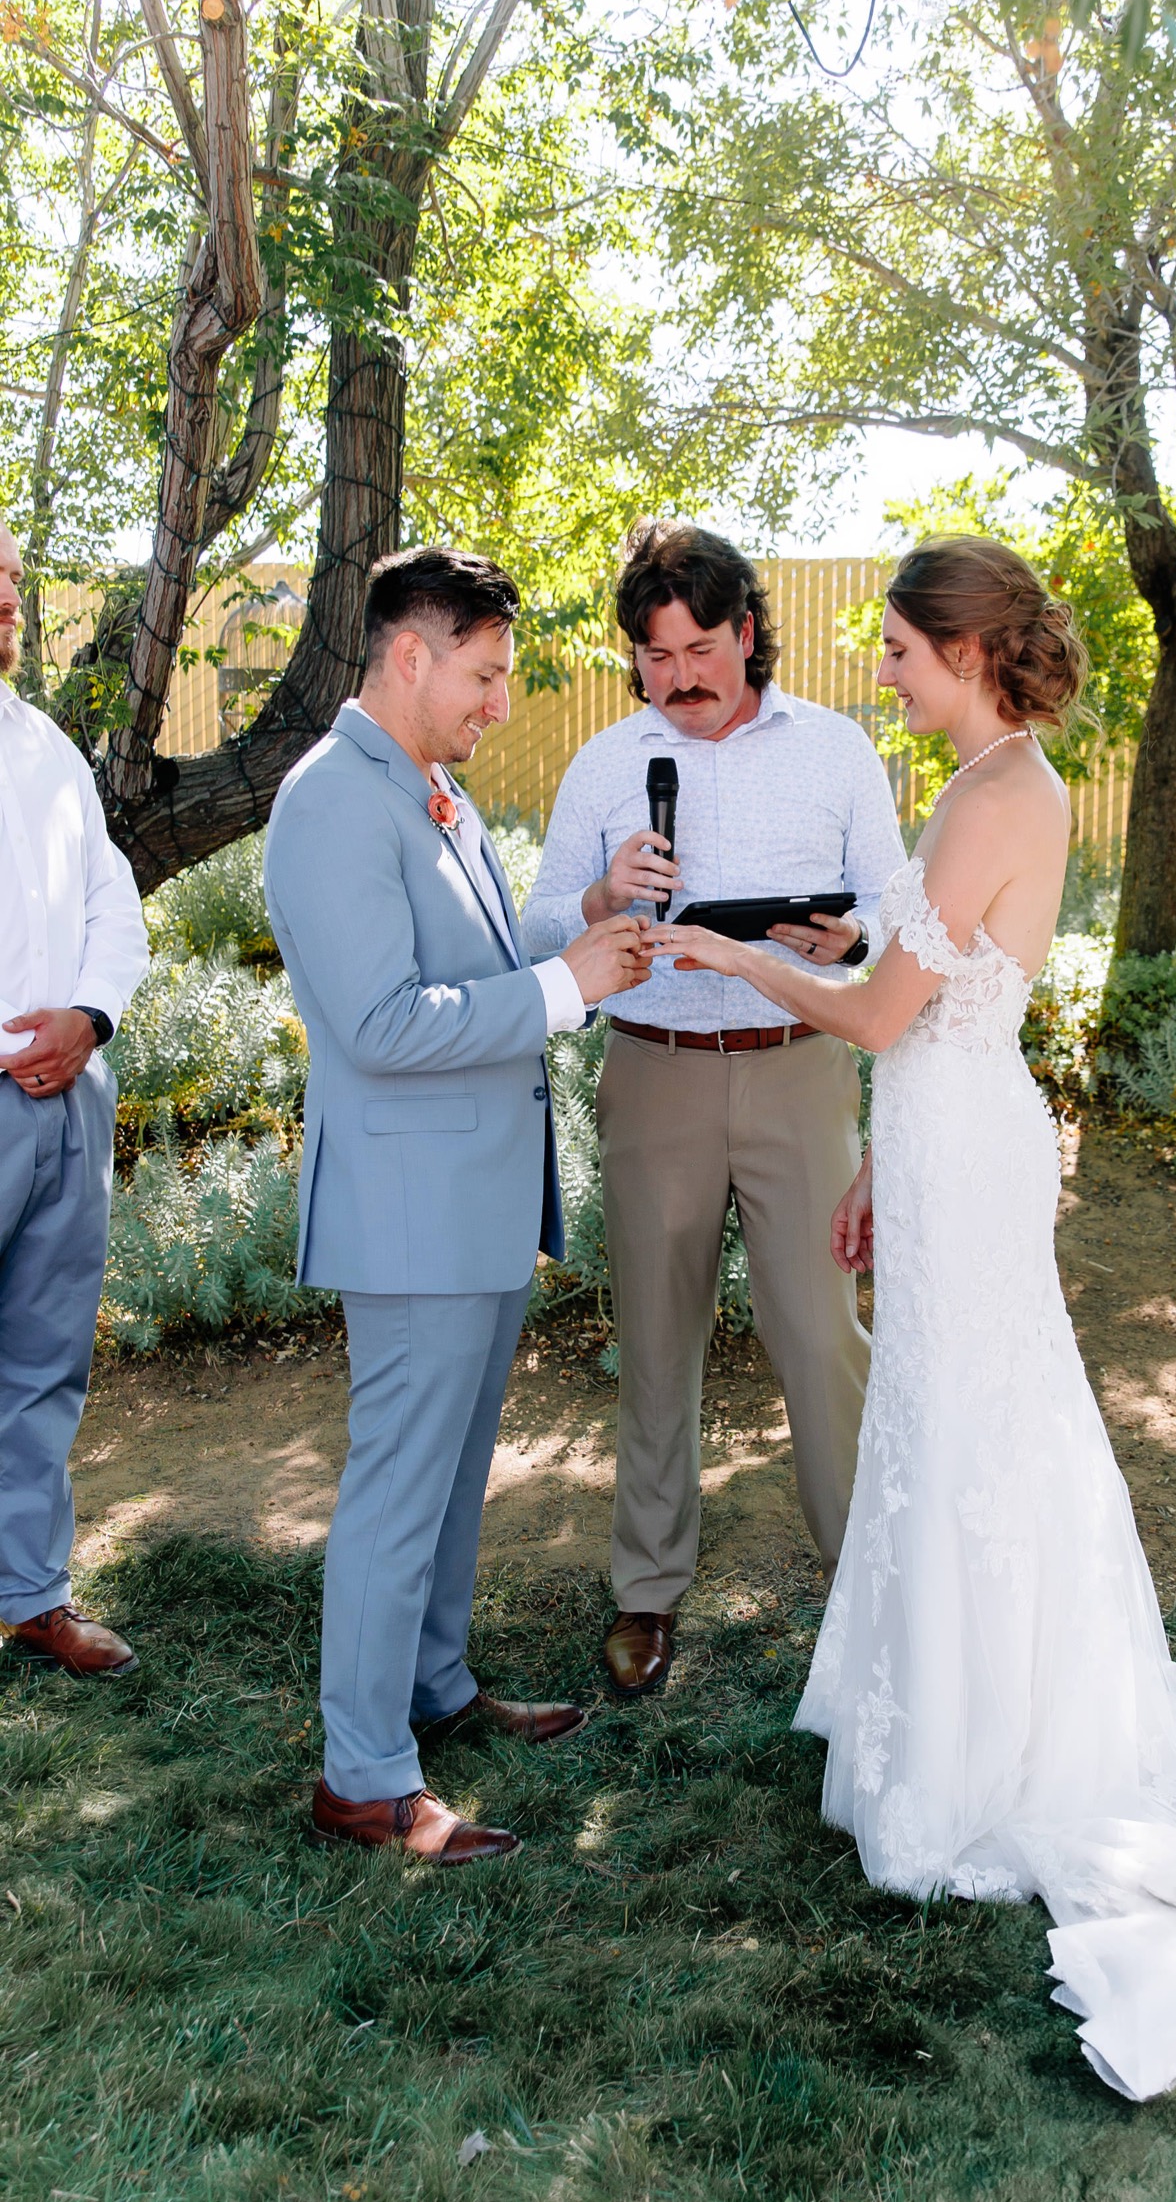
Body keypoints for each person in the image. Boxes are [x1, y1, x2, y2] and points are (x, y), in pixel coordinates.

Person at [651, 534, 1176, 2099]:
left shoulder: (996, 792)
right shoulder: (996, 781)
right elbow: (938, 993)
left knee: (977, 1418)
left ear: (965, 651)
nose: (876, 667)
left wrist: (732, 950)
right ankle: (953, 1697)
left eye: (893, 645)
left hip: (970, 1137)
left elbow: (888, 1008)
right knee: (964, 1408)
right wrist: (874, 1137)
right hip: (947, 1132)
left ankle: (987, 1740)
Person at [264, 547, 651, 1866]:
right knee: (395, 1489)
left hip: (477, 1202)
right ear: (409, 656)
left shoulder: (429, 788)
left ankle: (431, 1685)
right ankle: (362, 1776)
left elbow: (470, 967)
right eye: (484, 676)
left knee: (446, 1483)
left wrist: (577, 927)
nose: (500, 703)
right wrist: (570, 988)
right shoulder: (330, 801)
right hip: (413, 1213)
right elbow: (378, 1022)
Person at [522, 520, 906, 1699]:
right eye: (654, 657)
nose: (677, 677)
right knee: (656, 1336)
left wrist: (851, 935)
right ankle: (646, 1592)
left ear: (747, 630)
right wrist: (598, 895)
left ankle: (866, 1588)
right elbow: (539, 927)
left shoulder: (837, 749)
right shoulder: (604, 762)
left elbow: (896, 914)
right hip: (656, 1069)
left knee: (820, 1334)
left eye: (697, 648)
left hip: (801, 1067)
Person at [0, 520, 150, 1678]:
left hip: (66, 1103)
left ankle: (29, 1593)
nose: (7, 599)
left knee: (44, 1362)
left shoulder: (44, 744)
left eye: (10, 580)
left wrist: (88, 1020)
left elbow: (116, 900)